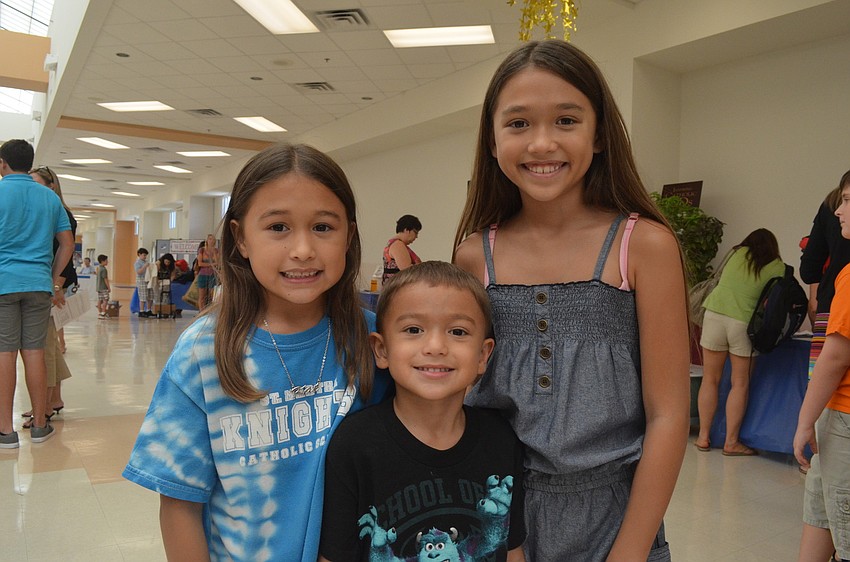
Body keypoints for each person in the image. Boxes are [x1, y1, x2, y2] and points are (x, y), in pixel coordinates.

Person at [451, 40, 690, 561]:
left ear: (599, 133)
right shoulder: (473, 257)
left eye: (566, 120)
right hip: (497, 513)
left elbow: (669, 416)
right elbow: (460, 405)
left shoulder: (643, 245)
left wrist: (628, 552)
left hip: (616, 517)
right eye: (518, 124)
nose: (541, 143)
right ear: (491, 141)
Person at [122, 143, 391, 561]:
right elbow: (180, 503)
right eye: (278, 227)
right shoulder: (204, 351)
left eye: (323, 227)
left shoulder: (375, 341)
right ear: (240, 238)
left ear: (349, 236)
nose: (302, 249)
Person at [319, 261, 526, 561]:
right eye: (413, 329)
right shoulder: (355, 445)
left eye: (458, 331)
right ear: (382, 350)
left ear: (483, 355)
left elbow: (511, 548)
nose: (435, 346)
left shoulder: (501, 439)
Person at [0, 140, 73, 448]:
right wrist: (53, 277)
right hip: (38, 285)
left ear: (3, 164)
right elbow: (67, 243)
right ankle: (41, 426)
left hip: (3, 284)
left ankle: (6, 431)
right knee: (35, 353)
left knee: (4, 354)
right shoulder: (48, 197)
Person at [794, 179, 850, 562]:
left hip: (843, 415)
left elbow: (835, 358)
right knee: (821, 506)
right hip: (835, 413)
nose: (838, 210)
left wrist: (803, 423)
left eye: (846, 201)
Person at [694, 228, 785, 456]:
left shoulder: (736, 253)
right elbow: (775, 301)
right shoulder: (777, 266)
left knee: (710, 379)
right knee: (740, 383)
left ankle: (703, 437)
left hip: (714, 314)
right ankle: (731, 442)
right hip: (742, 323)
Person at [21, 165, 76, 424]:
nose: (31, 187)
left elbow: (66, 253)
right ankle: (54, 399)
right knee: (49, 344)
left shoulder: (59, 212)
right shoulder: (44, 209)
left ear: (51, 185)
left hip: (52, 283)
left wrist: (56, 286)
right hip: (46, 282)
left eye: (36, 182)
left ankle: (44, 403)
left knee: (44, 347)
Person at [801, 171, 850, 381]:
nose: (840, 212)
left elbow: (809, 269)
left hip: (831, 307)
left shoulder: (829, 206)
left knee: (822, 386)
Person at [381, 214, 422, 287]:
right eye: (415, 232)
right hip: (397, 288)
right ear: (407, 230)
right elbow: (407, 270)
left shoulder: (393, 243)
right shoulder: (398, 245)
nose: (416, 237)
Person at [149, 252, 176, 318]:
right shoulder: (158, 264)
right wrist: (158, 282)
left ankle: (165, 310)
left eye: (168, 262)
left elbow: (173, 275)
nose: (167, 264)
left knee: (165, 295)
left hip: (166, 281)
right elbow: (155, 274)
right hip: (158, 281)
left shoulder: (172, 266)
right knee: (158, 295)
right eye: (166, 262)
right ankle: (157, 309)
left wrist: (170, 281)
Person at [196, 233, 219, 310]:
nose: (211, 241)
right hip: (203, 274)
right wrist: (212, 264)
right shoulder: (202, 250)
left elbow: (217, 263)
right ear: (207, 240)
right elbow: (200, 263)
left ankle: (211, 311)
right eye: (210, 239)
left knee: (212, 295)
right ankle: (201, 312)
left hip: (212, 275)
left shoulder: (216, 251)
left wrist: (214, 253)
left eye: (213, 239)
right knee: (202, 295)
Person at [134, 248, 153, 318]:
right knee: (143, 296)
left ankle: (148, 310)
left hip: (148, 280)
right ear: (139, 254)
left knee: (150, 295)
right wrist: (145, 266)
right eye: (144, 255)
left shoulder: (147, 262)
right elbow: (139, 272)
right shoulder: (137, 263)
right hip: (142, 280)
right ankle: (141, 311)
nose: (145, 257)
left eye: (146, 255)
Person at [96, 254, 110, 319]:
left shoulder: (98, 268)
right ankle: (103, 312)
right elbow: (105, 279)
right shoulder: (104, 269)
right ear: (102, 261)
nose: (107, 262)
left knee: (100, 299)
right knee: (105, 300)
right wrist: (109, 287)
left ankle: (99, 312)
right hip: (104, 287)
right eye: (106, 260)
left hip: (99, 287)